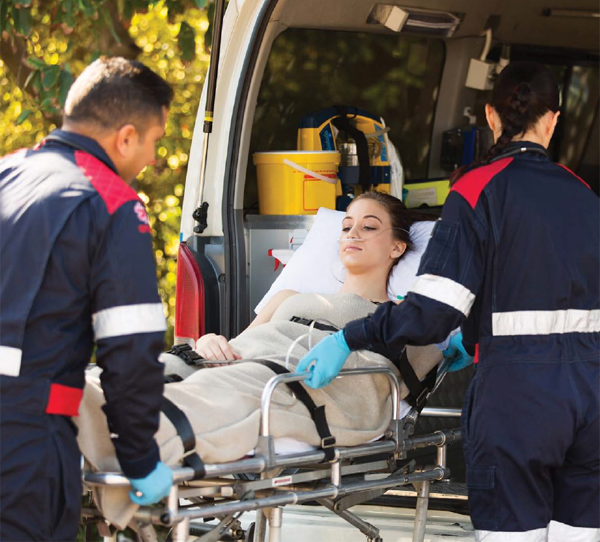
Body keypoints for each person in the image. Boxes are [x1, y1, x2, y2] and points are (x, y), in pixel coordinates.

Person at [296, 62, 600, 541]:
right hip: (592, 400)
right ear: (554, 120)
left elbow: (430, 314)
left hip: (519, 400)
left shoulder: (478, 189)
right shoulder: (586, 197)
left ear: (491, 117)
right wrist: (475, 335)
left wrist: (350, 337)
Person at [0, 57, 175, 541]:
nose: (154, 160)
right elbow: (130, 351)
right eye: (155, 141)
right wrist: (139, 458)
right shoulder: (112, 203)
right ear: (125, 137)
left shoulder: (6, 175)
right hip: (23, 438)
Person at [192, 191, 439, 365]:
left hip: (277, 386)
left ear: (396, 248)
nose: (352, 234)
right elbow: (238, 346)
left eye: (369, 227)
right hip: (237, 369)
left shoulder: (397, 315)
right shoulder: (287, 297)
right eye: (346, 227)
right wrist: (208, 342)